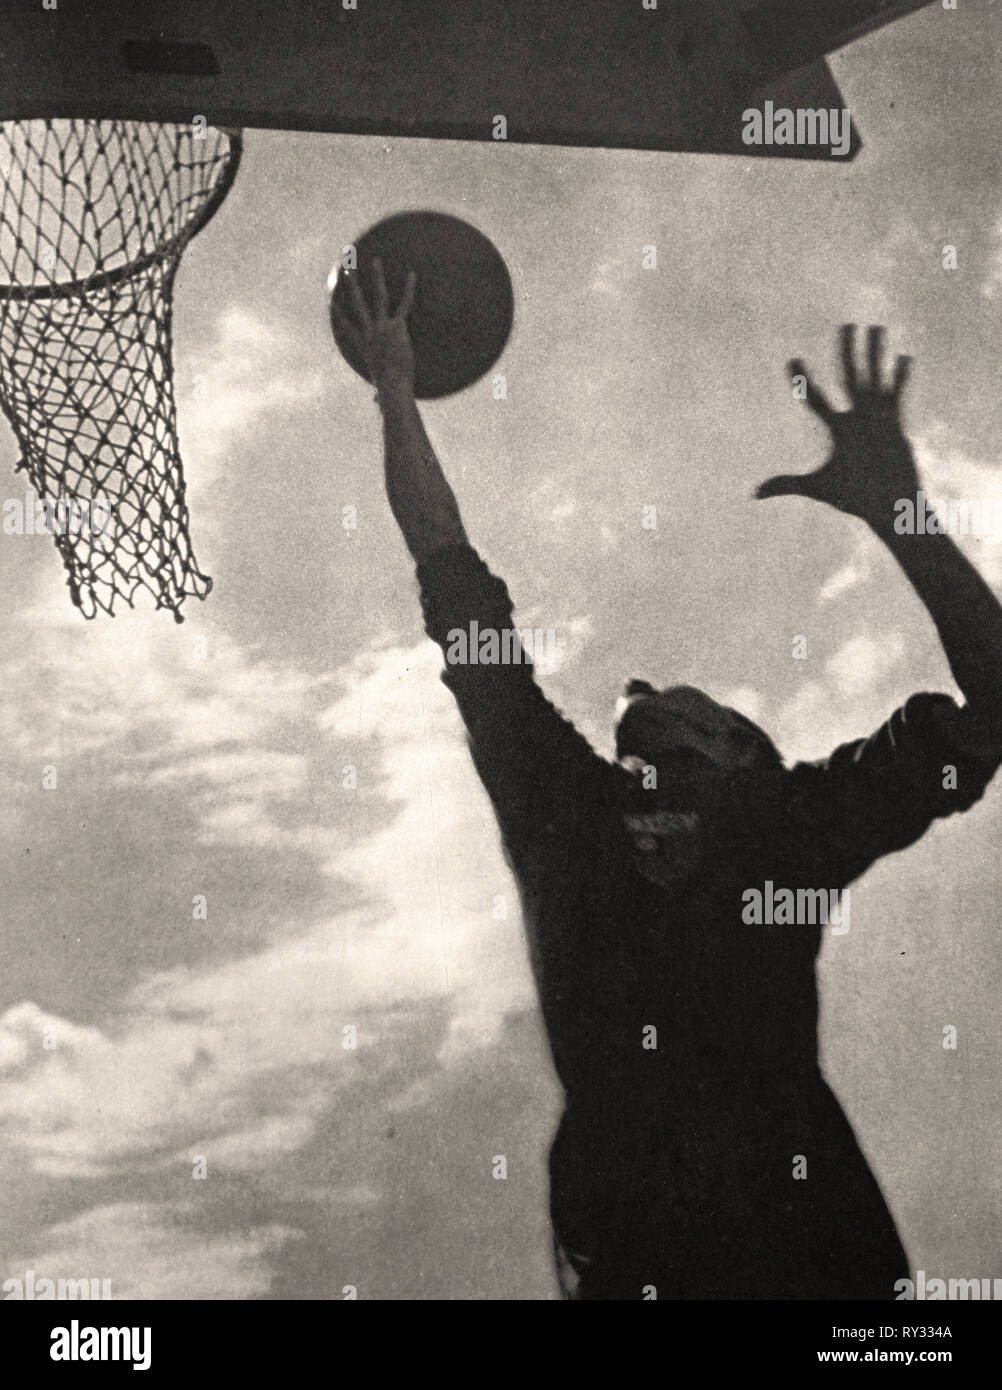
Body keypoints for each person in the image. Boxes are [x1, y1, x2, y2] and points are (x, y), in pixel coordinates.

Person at [332, 267, 1002, 1299]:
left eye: (685, 696)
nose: (640, 683)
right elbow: (446, 561)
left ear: (744, 747)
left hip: (801, 1240)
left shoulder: (785, 819)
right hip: (645, 1233)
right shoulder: (568, 800)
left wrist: (900, 511)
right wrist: (395, 396)